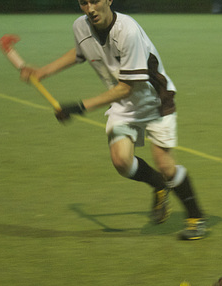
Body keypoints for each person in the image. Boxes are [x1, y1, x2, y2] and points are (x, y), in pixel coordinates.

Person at [20, 0, 206, 240]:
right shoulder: (80, 26)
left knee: (166, 166)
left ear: (108, 0)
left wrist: (78, 107)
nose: (90, 8)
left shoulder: (127, 31)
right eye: (83, 2)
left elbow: (126, 87)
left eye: (95, 1)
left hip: (154, 100)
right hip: (122, 102)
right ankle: (158, 185)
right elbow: (80, 52)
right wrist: (43, 72)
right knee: (121, 161)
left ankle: (196, 218)